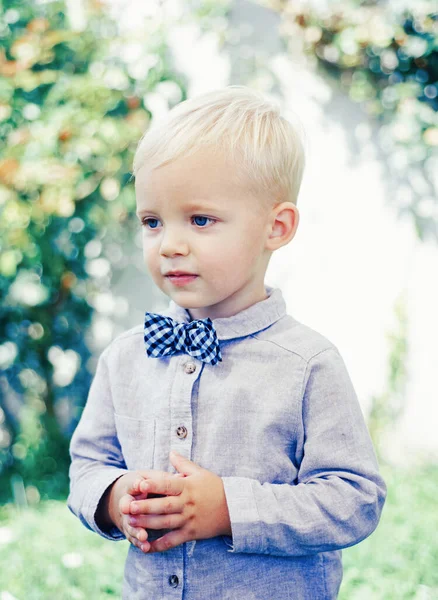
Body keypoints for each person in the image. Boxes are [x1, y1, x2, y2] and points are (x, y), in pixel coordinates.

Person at [67, 85, 387, 599]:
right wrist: (112, 497)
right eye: (152, 221)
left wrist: (229, 509)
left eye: (200, 220)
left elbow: (355, 500)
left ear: (275, 227)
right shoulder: (126, 357)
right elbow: (88, 465)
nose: (170, 243)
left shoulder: (308, 365)